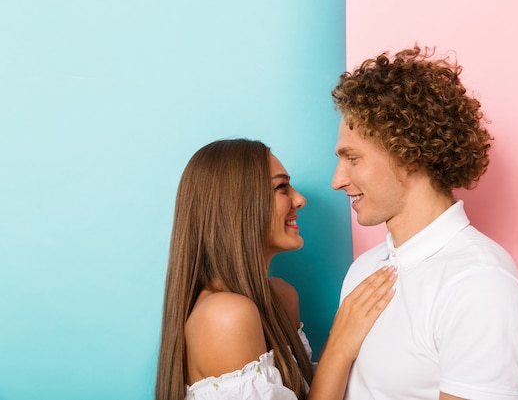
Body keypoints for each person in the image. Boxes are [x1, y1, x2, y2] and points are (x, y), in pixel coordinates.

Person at [331, 45, 518, 400]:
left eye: (353, 158)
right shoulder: (364, 270)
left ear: (408, 153)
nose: (338, 180)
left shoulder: (481, 286)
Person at [155, 138, 397, 400]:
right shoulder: (225, 317)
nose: (300, 199)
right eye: (282, 187)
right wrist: (339, 345)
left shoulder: (282, 296)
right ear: (237, 205)